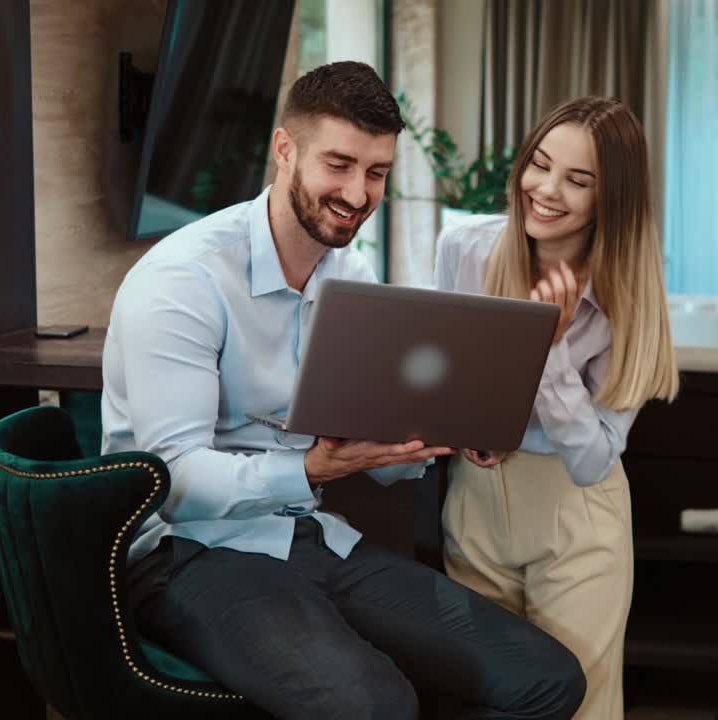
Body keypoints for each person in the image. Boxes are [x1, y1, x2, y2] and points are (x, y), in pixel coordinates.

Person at [101, 61, 586, 720]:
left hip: (308, 537)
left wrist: (441, 435)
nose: (358, 193)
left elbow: (373, 446)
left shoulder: (350, 273)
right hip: (187, 555)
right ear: (284, 150)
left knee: (547, 677)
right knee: (375, 705)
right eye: (339, 164)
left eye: (377, 172)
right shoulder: (184, 280)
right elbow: (173, 481)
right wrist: (309, 469)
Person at [434, 96, 680, 720]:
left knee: (577, 707)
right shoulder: (464, 248)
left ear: (610, 199)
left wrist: (547, 349)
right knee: (486, 698)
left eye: (578, 180)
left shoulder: (629, 294)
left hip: (577, 515)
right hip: (476, 503)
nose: (545, 190)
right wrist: (468, 426)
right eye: (539, 165)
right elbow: (446, 377)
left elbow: (594, 458)